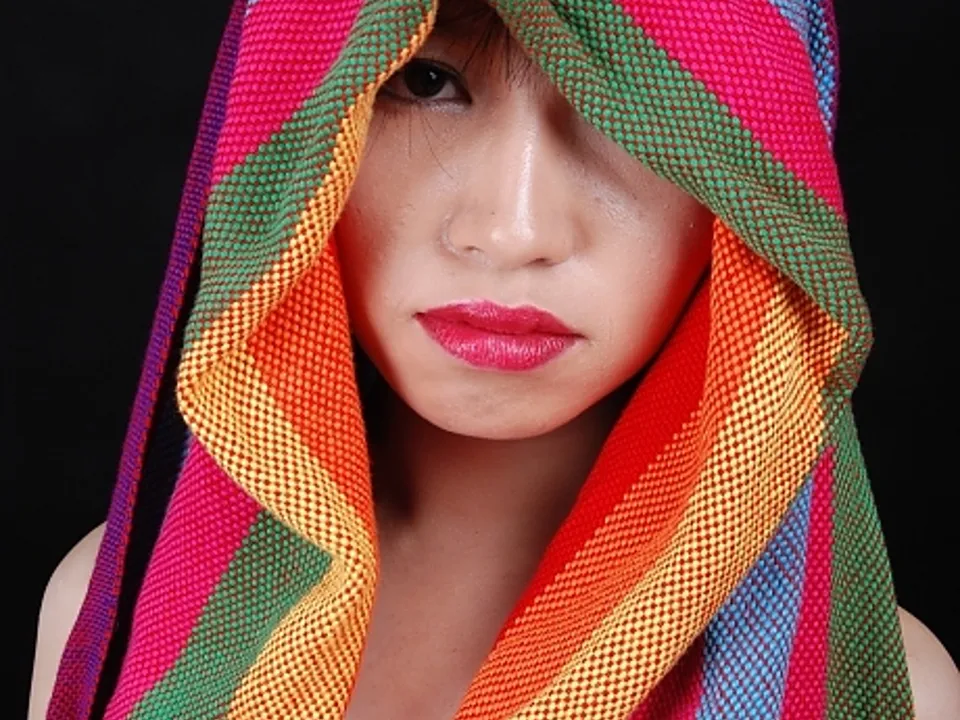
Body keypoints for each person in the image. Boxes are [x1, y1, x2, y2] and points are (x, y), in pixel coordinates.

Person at [31, 0, 959, 718]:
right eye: (426, 79)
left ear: (763, 188)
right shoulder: (122, 613)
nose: (512, 231)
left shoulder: (887, 689)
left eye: (633, 103)